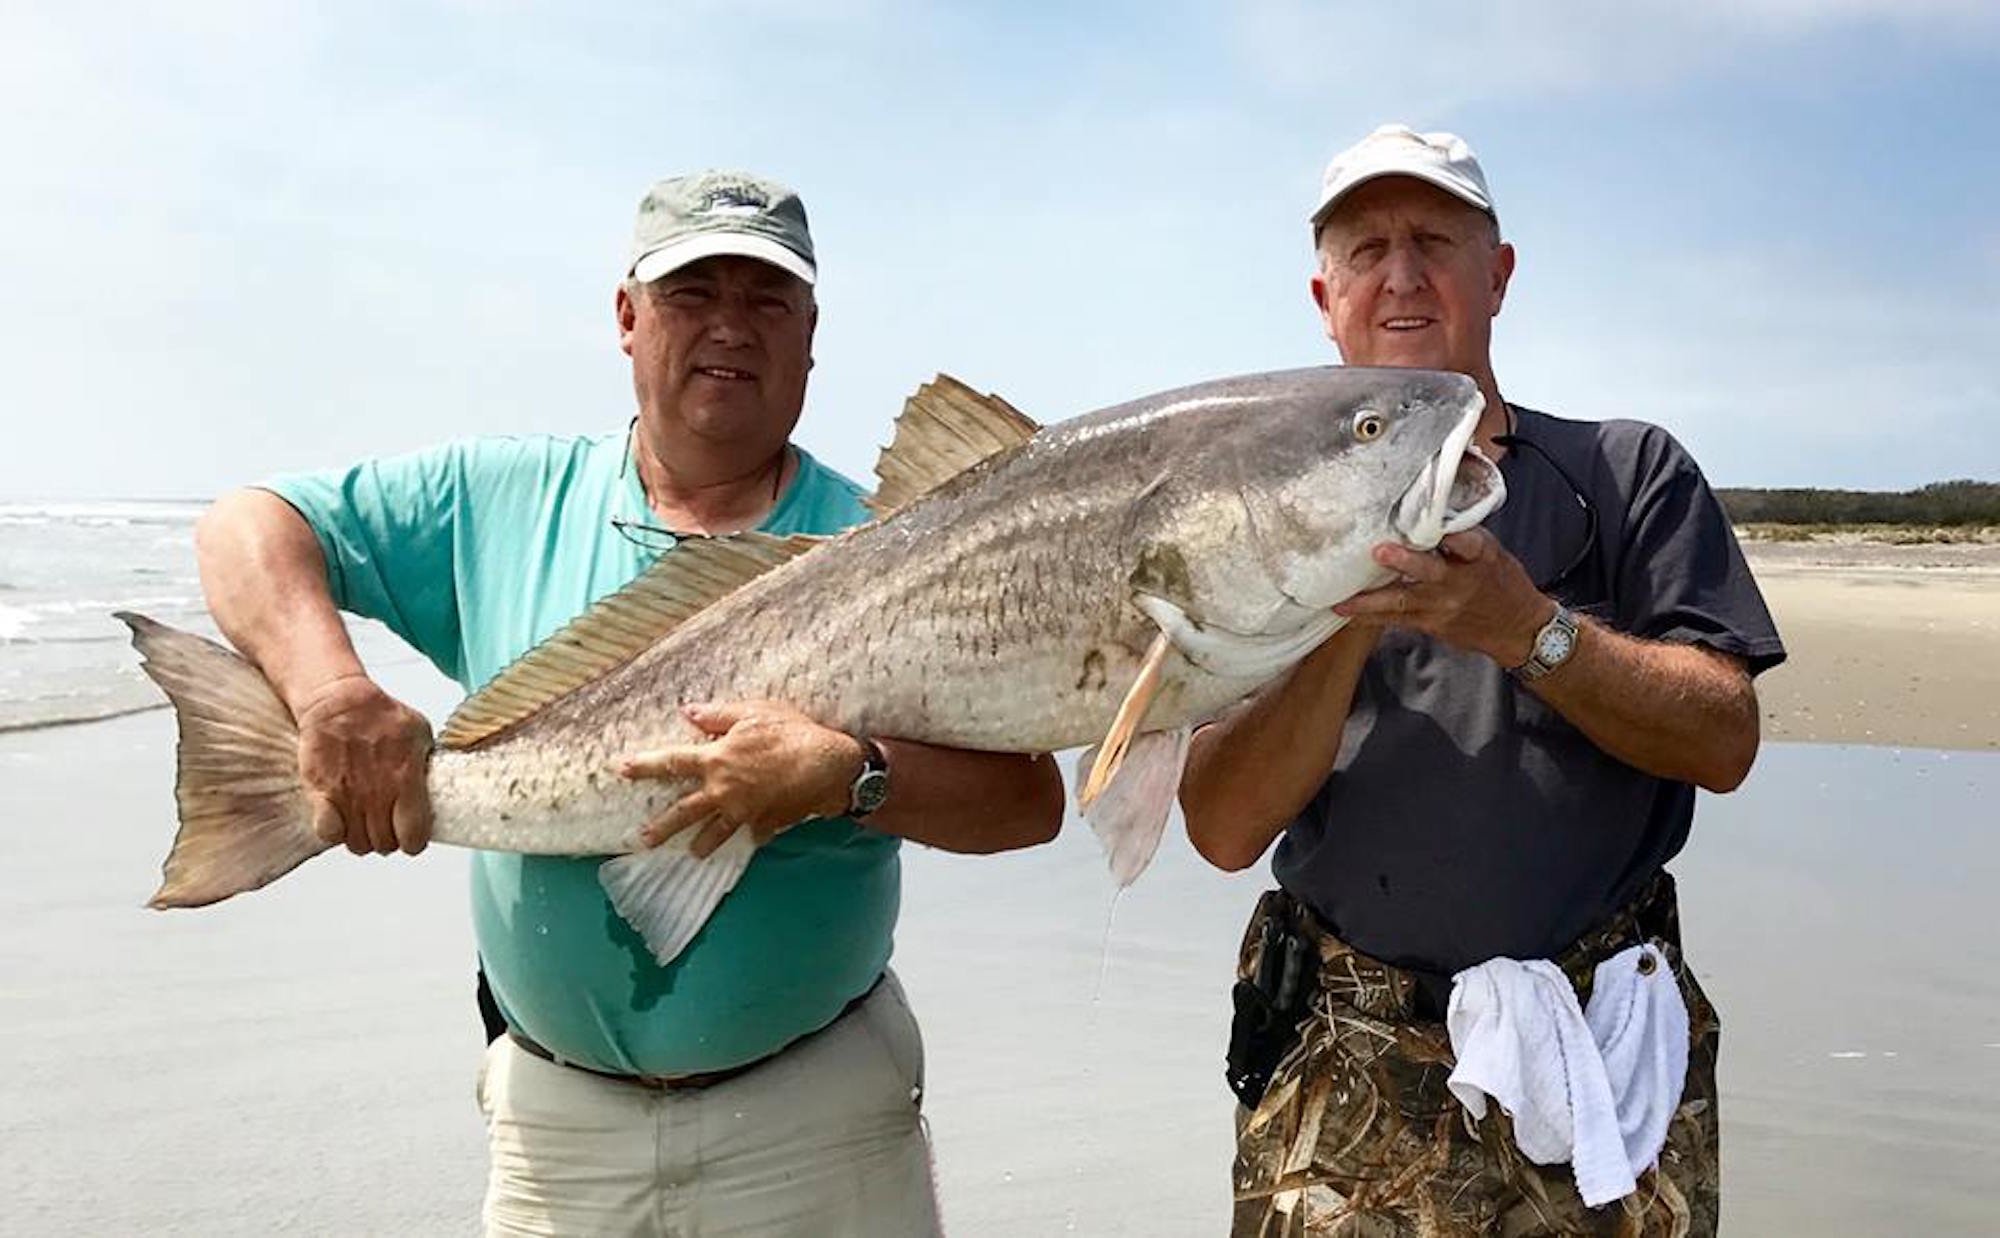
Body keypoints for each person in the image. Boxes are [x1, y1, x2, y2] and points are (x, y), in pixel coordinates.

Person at [193, 169, 1065, 1237]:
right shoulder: (495, 497)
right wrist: (328, 691)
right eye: (694, 292)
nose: (730, 327)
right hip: (556, 1134)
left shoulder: (893, 532)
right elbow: (248, 522)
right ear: (627, 315)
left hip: (822, 1118)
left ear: (810, 333)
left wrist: (847, 775)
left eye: (767, 299)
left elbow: (1027, 804)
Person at [1181, 125, 1786, 1236]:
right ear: (1325, 294)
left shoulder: (1626, 471)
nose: (1399, 275)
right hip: (1346, 1050)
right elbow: (1219, 828)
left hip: (1606, 1036)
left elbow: (1723, 739)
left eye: (1432, 241)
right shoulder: (1245, 526)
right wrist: (1341, 616)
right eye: (1365, 249)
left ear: (1494, 275)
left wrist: (1525, 629)